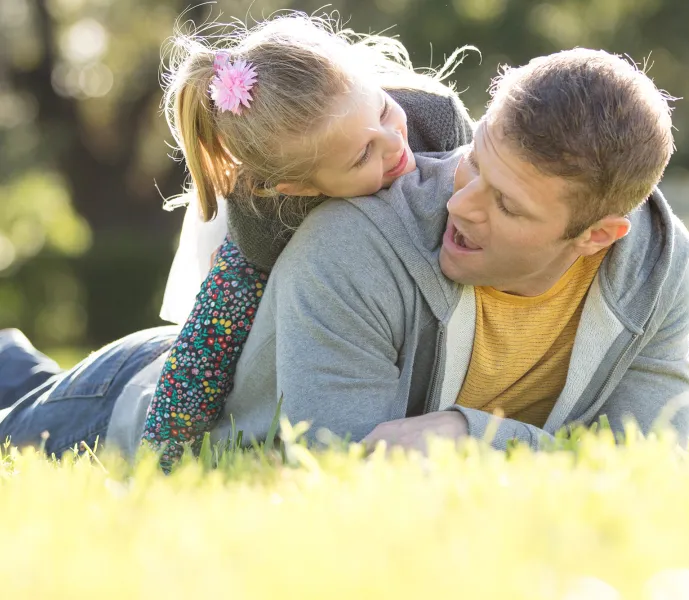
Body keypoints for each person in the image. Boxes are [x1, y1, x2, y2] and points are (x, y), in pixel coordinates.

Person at [0, 14, 473, 458]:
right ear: (300, 188)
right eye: (361, 157)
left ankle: (11, 362)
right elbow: (201, 356)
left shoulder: (433, 119)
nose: (396, 145)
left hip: (130, 366)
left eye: (385, 111)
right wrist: (161, 464)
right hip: (130, 389)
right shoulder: (264, 221)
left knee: (33, 382)